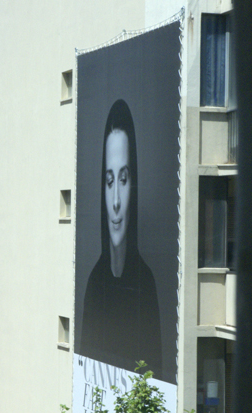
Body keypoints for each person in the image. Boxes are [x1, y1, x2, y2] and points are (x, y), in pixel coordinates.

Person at [80, 99, 162, 375]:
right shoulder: (95, 283)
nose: (115, 201)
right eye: (109, 180)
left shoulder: (145, 284)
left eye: (124, 179)